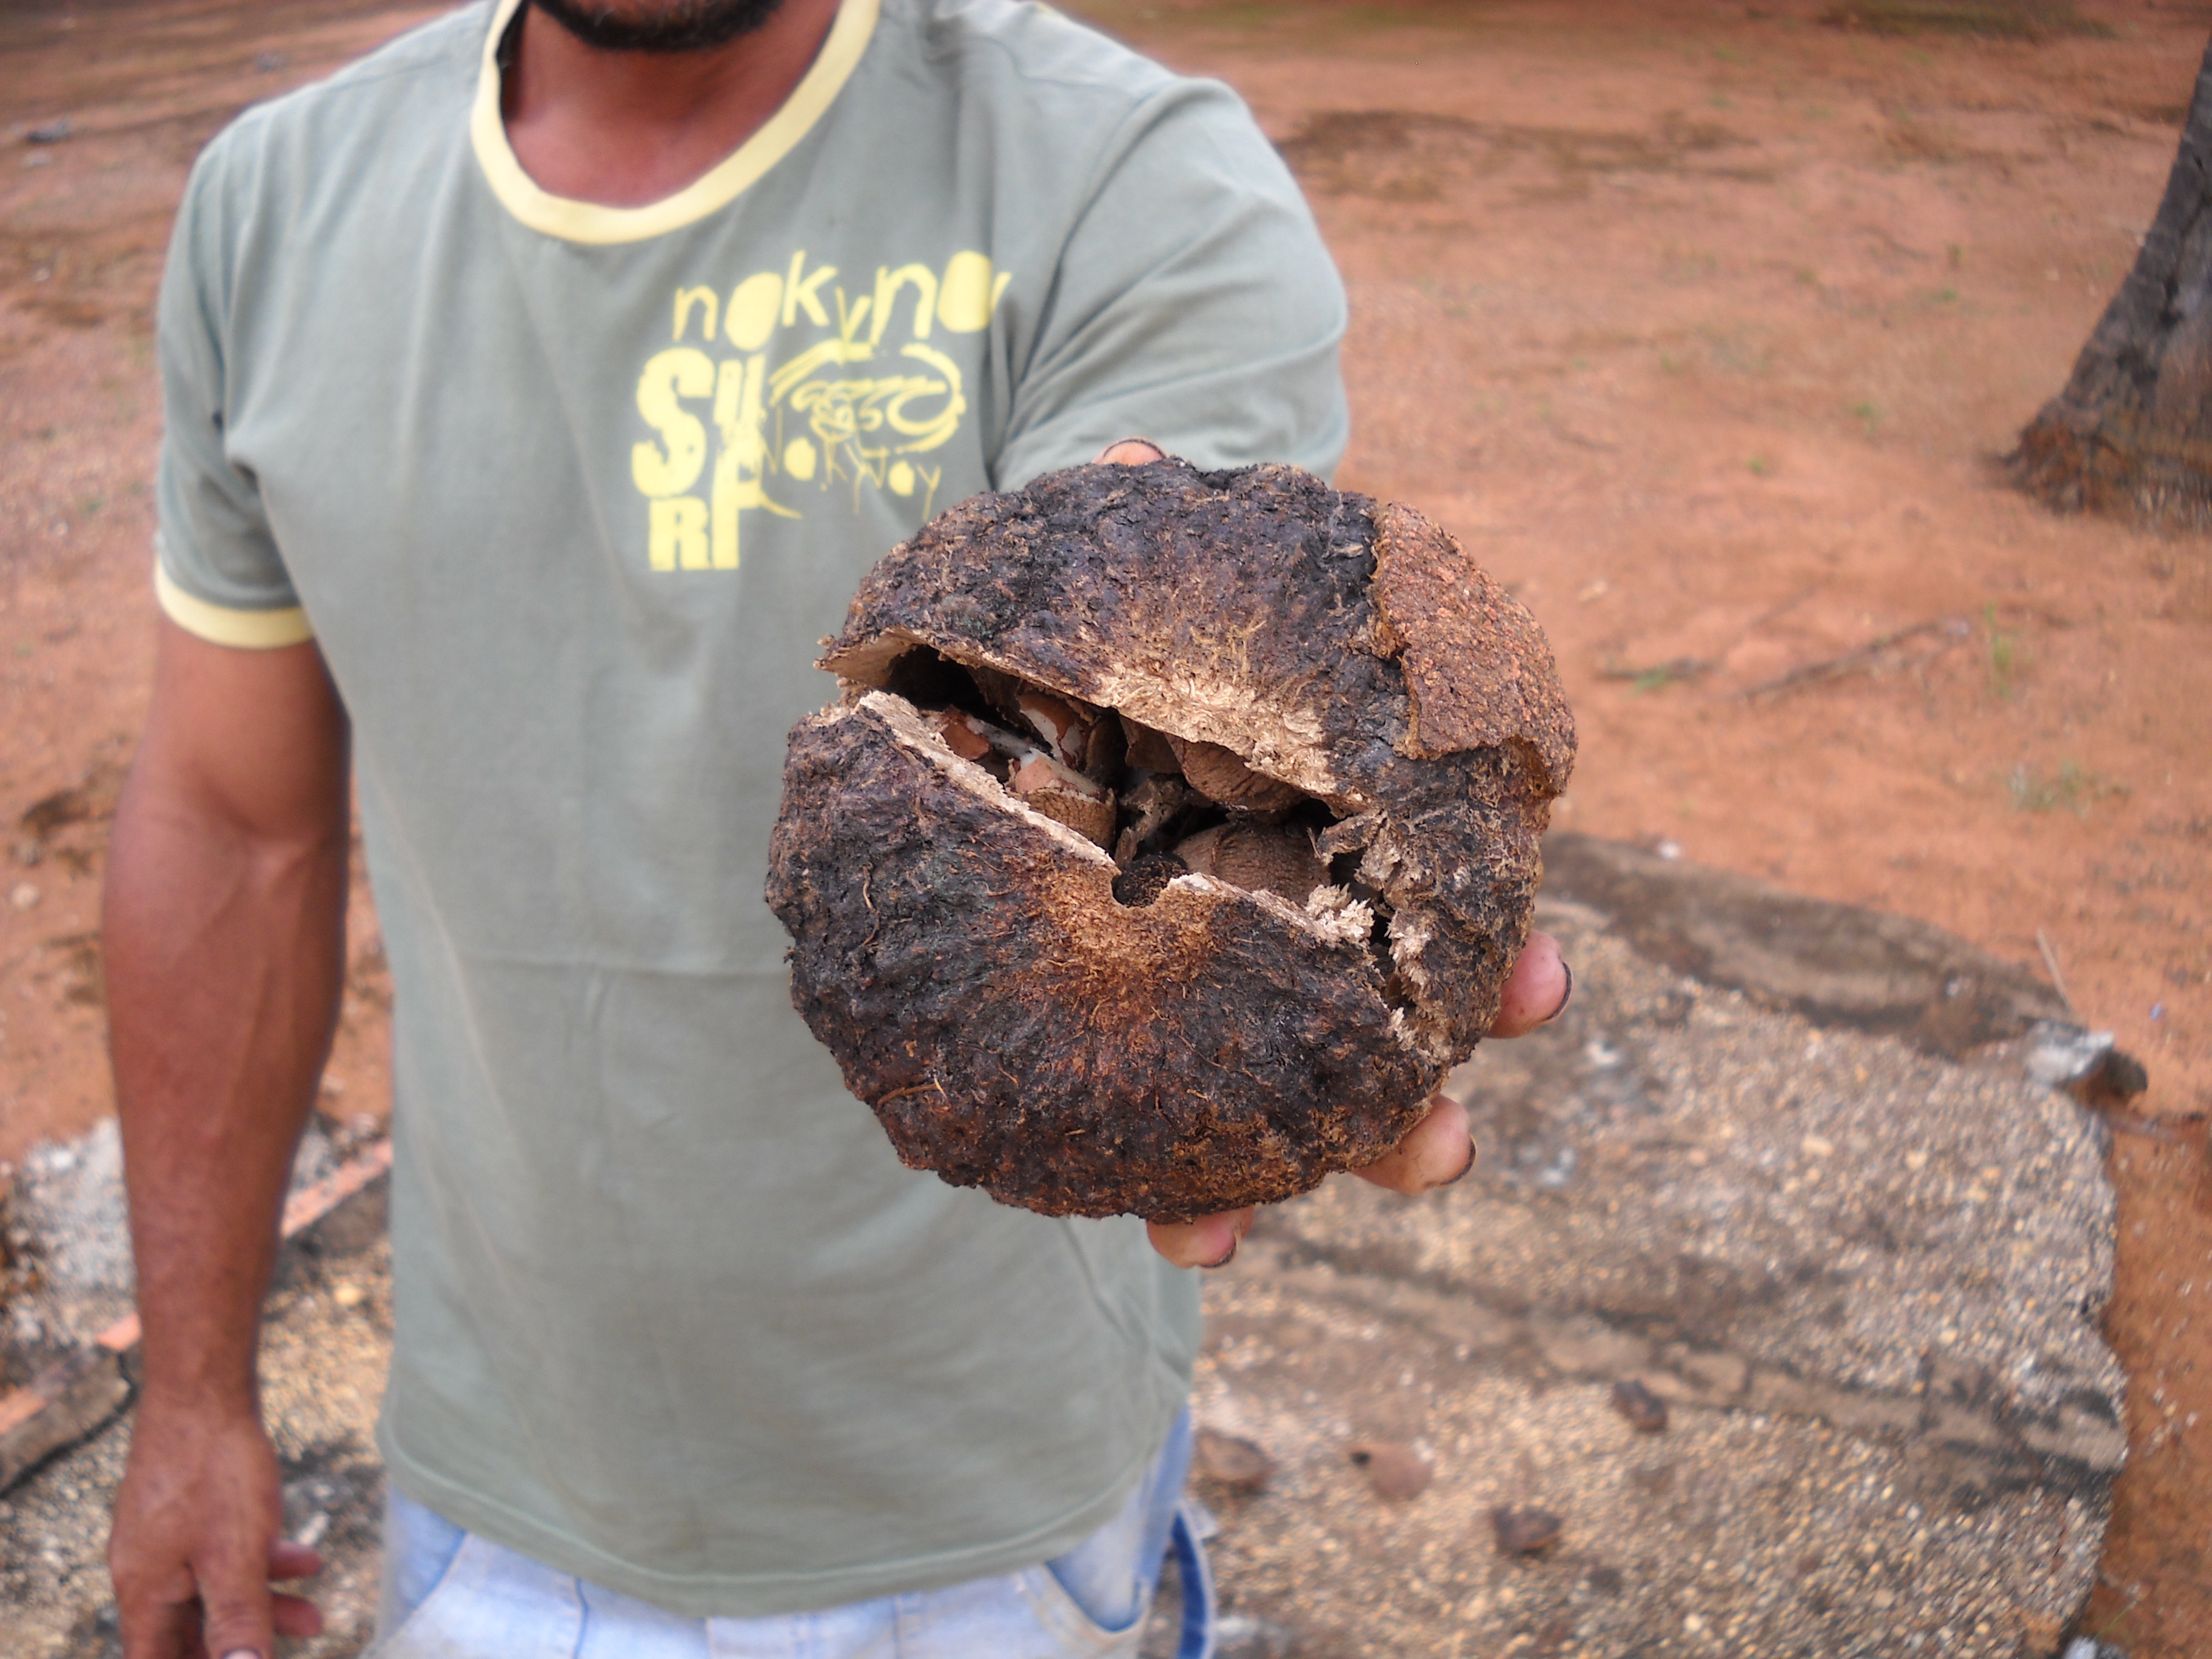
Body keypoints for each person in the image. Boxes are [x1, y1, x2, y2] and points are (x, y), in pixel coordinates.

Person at [101, 0, 1572, 1654]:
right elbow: (229, 831)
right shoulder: (273, 209)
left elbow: (1180, 609)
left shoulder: (1124, 173)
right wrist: (189, 1393)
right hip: (500, 1476)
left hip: (984, 1516)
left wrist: (1343, 898)